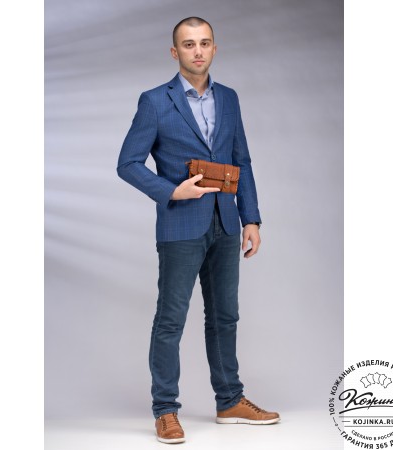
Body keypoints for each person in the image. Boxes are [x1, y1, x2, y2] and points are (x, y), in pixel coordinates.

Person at [117, 16, 280, 444]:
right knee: (171, 319)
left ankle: (230, 400)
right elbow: (127, 164)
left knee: (225, 316)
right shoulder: (155, 101)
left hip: (226, 223)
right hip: (180, 225)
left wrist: (251, 218)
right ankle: (165, 410)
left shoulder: (229, 98)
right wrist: (171, 190)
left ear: (214, 48)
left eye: (205, 43)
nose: (198, 51)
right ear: (175, 52)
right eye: (189, 44)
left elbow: (241, 161)